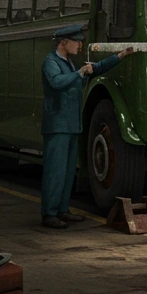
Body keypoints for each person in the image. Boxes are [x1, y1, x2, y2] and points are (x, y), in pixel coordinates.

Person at [40, 25, 134, 229]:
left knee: (67, 172)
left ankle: (62, 210)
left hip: (71, 125)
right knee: (55, 172)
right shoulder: (51, 62)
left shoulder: (68, 63)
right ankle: (49, 213)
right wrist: (80, 73)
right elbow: (56, 82)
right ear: (63, 42)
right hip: (57, 126)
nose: (80, 44)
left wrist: (121, 56)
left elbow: (96, 69)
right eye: (76, 41)